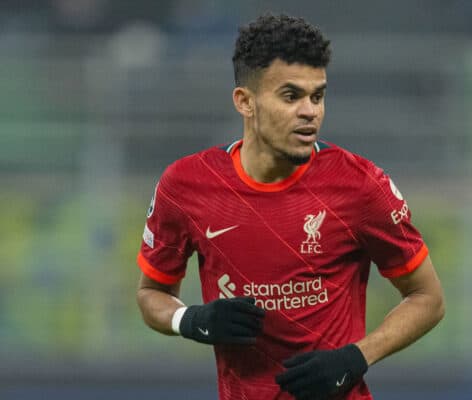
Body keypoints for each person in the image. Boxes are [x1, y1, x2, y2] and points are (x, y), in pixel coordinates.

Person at [136, 13, 445, 400]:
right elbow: (151, 294)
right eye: (291, 96)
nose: (310, 111)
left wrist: (355, 357)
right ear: (245, 102)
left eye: (318, 96)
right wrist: (190, 319)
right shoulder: (185, 185)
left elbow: (427, 299)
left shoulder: (360, 186)